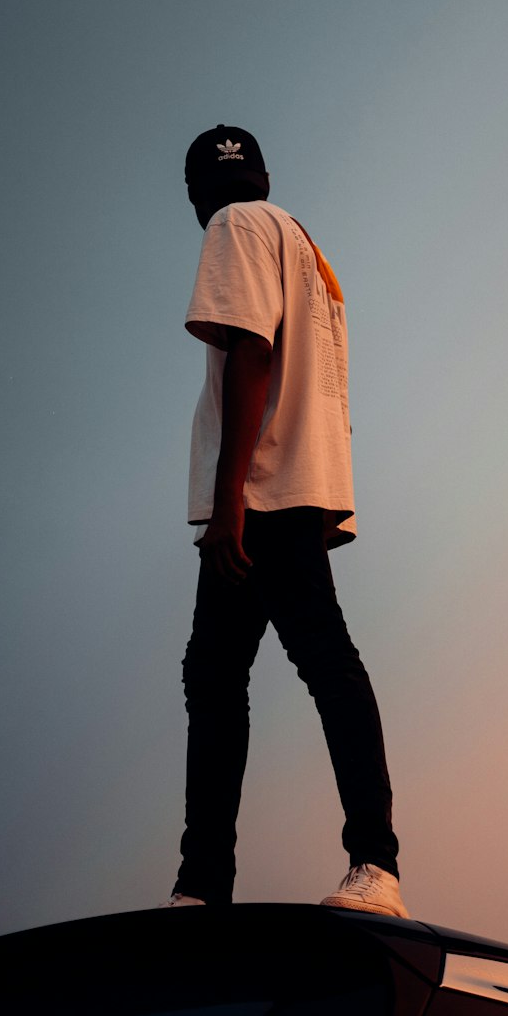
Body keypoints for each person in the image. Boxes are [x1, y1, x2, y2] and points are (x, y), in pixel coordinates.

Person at [162, 124, 407, 918]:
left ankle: (355, 865)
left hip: (262, 490)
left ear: (198, 194)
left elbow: (250, 355)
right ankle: (220, 880)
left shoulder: (233, 230)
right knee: (246, 671)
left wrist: (230, 494)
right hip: (302, 484)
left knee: (254, 675)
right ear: (263, 175)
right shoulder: (305, 246)